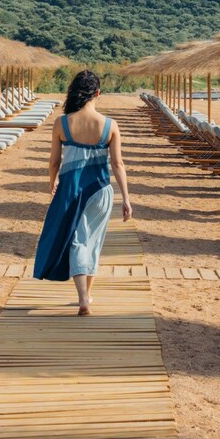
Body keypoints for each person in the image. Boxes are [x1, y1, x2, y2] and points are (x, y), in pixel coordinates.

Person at [33, 69, 133, 314]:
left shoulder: (62, 123)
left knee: (78, 240)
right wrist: (126, 199)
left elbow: (54, 162)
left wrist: (52, 182)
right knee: (94, 241)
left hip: (72, 189)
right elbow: (118, 164)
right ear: (97, 93)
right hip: (101, 190)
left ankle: (83, 300)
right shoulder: (110, 125)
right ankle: (87, 294)